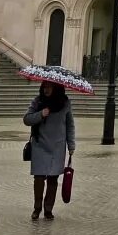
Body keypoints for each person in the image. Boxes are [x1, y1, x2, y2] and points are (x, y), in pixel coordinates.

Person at [22, 81, 76, 220]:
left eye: (49, 87)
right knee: (39, 178)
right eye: (44, 87)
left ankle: (48, 209)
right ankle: (37, 208)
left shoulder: (64, 103)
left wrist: (71, 145)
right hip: (40, 145)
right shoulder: (38, 101)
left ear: (56, 89)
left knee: (53, 179)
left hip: (57, 147)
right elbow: (27, 119)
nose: (46, 90)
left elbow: (70, 125)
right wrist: (41, 114)